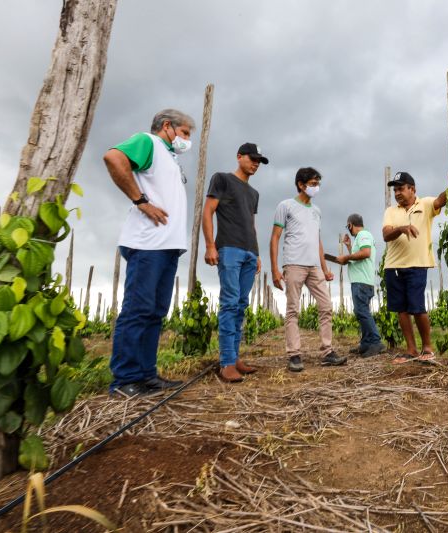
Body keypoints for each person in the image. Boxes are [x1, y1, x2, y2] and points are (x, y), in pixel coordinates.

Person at [103, 109, 196, 397]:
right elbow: (113, 158)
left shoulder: (169, 156)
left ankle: (146, 374)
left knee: (155, 312)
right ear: (167, 126)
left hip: (167, 246)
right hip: (148, 244)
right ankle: (124, 379)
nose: (186, 140)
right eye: (185, 133)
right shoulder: (148, 142)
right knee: (138, 310)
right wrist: (141, 201)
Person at [202, 143, 269, 383]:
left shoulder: (254, 194)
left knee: (241, 305)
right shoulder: (222, 179)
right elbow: (207, 211)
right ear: (239, 156)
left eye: (259, 161)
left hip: (249, 253)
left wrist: (258, 254)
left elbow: (251, 224)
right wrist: (210, 245)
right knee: (229, 303)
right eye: (253, 158)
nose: (256, 164)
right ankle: (227, 362)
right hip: (229, 249)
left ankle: (235, 358)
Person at [270, 167, 347, 372]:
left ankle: (327, 351)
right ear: (300, 185)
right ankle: (294, 355)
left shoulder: (316, 211)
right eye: (313, 184)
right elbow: (275, 237)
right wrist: (275, 269)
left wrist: (324, 267)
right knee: (293, 309)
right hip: (294, 264)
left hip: (314, 267)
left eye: (317, 184)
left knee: (326, 306)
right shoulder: (285, 206)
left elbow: (317, 241)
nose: (316, 187)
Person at [382, 171, 447, 364]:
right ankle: (411, 349)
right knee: (401, 309)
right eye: (395, 190)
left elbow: (441, 201)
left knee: (417, 307)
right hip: (393, 265)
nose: (397, 193)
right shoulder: (391, 212)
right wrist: (402, 228)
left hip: (417, 265)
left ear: (413, 189)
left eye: (401, 188)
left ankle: (427, 347)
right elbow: (386, 235)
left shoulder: (425, 204)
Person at [336, 214, 385, 357]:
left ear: (351, 224)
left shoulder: (363, 234)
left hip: (362, 281)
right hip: (362, 281)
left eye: (348, 226)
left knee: (361, 311)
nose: (348, 229)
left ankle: (376, 342)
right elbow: (359, 255)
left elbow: (365, 253)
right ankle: (366, 344)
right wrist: (349, 247)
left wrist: (346, 257)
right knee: (362, 312)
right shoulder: (361, 238)